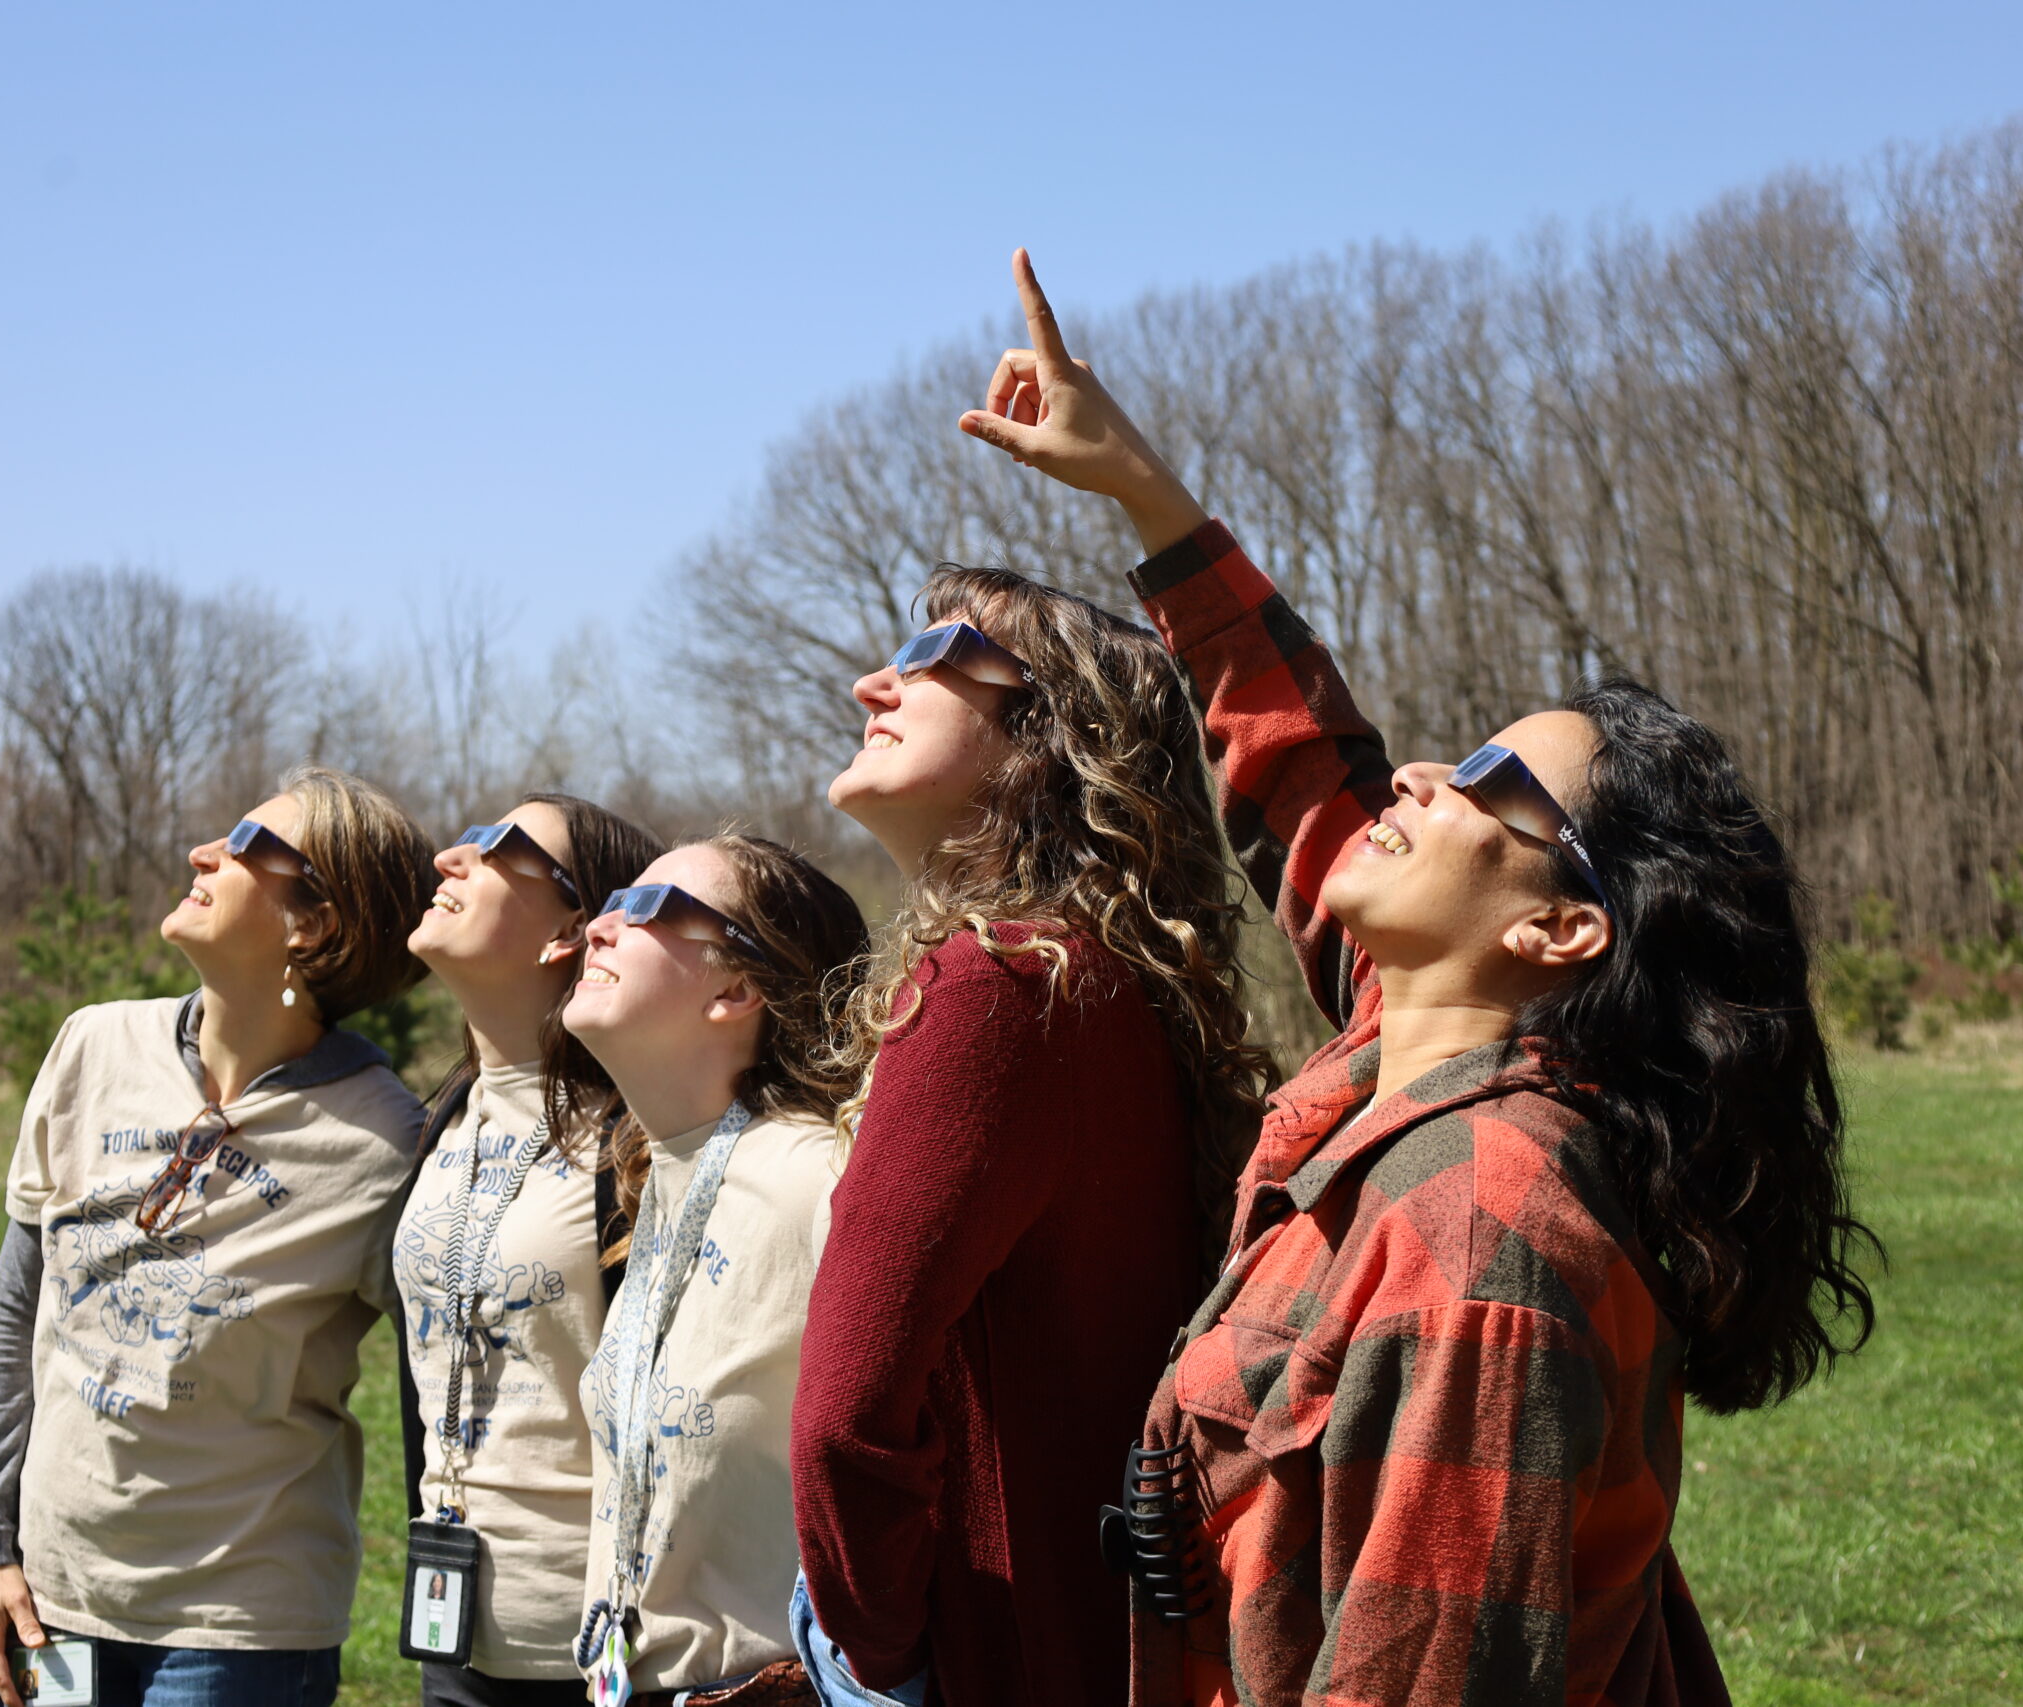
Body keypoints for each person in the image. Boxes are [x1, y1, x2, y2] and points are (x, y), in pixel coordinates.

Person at [958, 249, 1879, 1707]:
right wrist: (1145, 494)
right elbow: (1311, 775)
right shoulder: (1414, 1051)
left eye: (1496, 783)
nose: (1427, 775)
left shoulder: (1479, 1242)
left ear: (1563, 931)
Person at [787, 490, 1273, 1701]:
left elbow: (844, 1415)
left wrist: (878, 1650)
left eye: (936, 655)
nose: (873, 686)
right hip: (1093, 1640)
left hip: (985, 1652)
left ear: (1049, 736)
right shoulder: (1110, 984)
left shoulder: (997, 985)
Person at [0, 766, 435, 1707]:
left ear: (316, 922)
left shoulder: (390, 1143)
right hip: (54, 1594)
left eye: (250, 845)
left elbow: (448, 1386)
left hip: (240, 1627)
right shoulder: (91, 1045)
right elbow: (18, 1311)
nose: (201, 852)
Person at [563, 836, 871, 1707]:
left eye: (648, 908)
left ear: (737, 990)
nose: (599, 924)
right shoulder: (664, 1171)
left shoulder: (821, 1179)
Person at [391, 794, 664, 1707]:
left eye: (498, 846)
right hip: (455, 1632)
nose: (449, 859)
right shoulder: (439, 1123)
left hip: (600, 1651)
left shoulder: (634, 1141)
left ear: (571, 930)